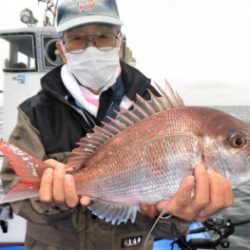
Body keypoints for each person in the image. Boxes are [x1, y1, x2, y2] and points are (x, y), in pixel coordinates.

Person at [0, 0, 233, 249]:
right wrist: (52, 200)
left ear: (119, 43)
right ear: (62, 48)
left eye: (103, 36)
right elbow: (15, 191)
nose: (91, 47)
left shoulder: (150, 103)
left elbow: (167, 226)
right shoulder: (34, 112)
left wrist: (177, 213)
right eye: (77, 39)